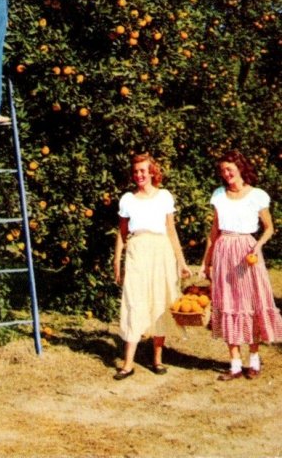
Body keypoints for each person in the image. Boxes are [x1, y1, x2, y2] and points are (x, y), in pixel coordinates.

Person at [199, 149, 282, 381]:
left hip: (247, 251)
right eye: (223, 170)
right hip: (224, 250)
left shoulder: (257, 195)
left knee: (251, 303)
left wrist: (257, 246)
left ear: (240, 168)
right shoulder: (218, 195)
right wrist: (206, 262)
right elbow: (214, 231)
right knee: (228, 304)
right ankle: (234, 364)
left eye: (230, 169)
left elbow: (269, 228)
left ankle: (254, 360)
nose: (226, 174)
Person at [113, 153, 191, 379]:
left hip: (161, 250)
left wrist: (182, 261)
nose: (139, 175)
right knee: (134, 301)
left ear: (152, 172)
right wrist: (117, 260)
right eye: (136, 171)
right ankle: (128, 363)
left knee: (160, 301)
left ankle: (157, 359)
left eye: (143, 171)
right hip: (137, 249)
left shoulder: (164, 197)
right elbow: (122, 232)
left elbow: (171, 230)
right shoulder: (128, 199)